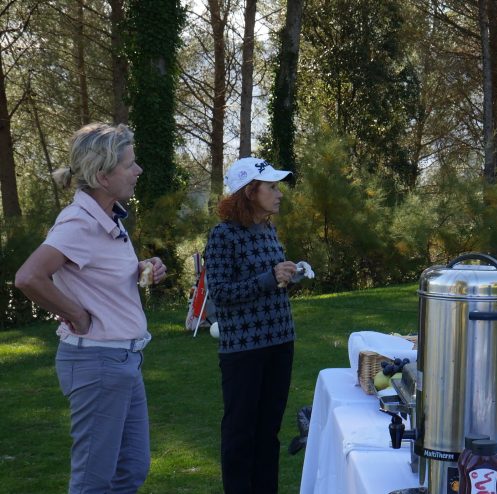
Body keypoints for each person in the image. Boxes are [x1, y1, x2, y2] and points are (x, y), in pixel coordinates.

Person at [14, 123, 167, 493]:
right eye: (130, 164)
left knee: (130, 470)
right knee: (93, 481)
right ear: (102, 176)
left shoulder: (109, 216)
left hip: (123, 361)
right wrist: (75, 313)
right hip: (97, 363)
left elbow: (97, 273)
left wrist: (141, 268)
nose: (138, 171)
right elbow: (29, 277)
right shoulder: (79, 221)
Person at [204, 157, 301, 493]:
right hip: (244, 350)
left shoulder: (268, 229)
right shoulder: (223, 235)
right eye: (272, 187)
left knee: (268, 431)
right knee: (240, 433)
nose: (279, 194)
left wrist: (290, 275)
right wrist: (268, 278)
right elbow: (219, 293)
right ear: (249, 192)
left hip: (279, 342)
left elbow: (270, 281)